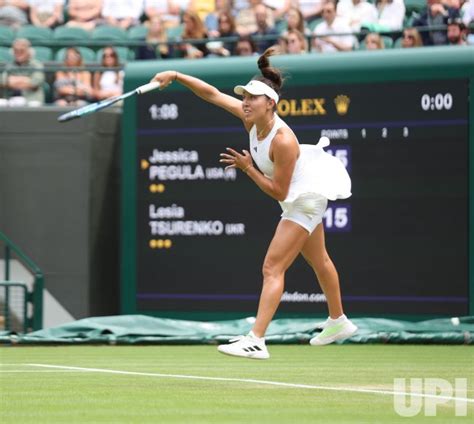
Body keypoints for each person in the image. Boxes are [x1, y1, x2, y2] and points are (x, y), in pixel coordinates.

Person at [151, 48, 357, 359]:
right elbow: (212, 95)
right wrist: (177, 76)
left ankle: (256, 339)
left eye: (252, 98)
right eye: (244, 97)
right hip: (299, 196)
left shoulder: (282, 141)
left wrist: (248, 168)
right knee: (320, 260)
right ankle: (338, 321)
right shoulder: (252, 120)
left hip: (305, 200)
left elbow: (278, 191)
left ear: (270, 104)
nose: (245, 102)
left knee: (272, 267)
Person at [0, 39, 45, 106]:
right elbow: (2, 81)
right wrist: (25, 80)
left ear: (29, 51)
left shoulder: (36, 64)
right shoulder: (9, 65)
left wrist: (13, 80)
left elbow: (35, 82)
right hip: (11, 98)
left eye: (22, 50)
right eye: (16, 51)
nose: (18, 53)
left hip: (31, 99)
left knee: (34, 105)